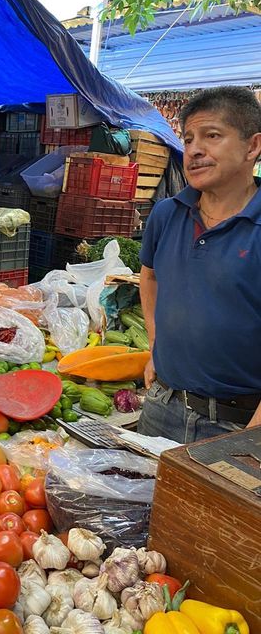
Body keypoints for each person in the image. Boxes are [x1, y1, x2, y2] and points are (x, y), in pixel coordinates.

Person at [138, 86, 261, 444]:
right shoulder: (166, 213)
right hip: (162, 407)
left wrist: (253, 435)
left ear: (252, 146)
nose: (194, 150)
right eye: (189, 138)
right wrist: (155, 345)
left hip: (236, 424)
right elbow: (150, 276)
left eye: (212, 136)